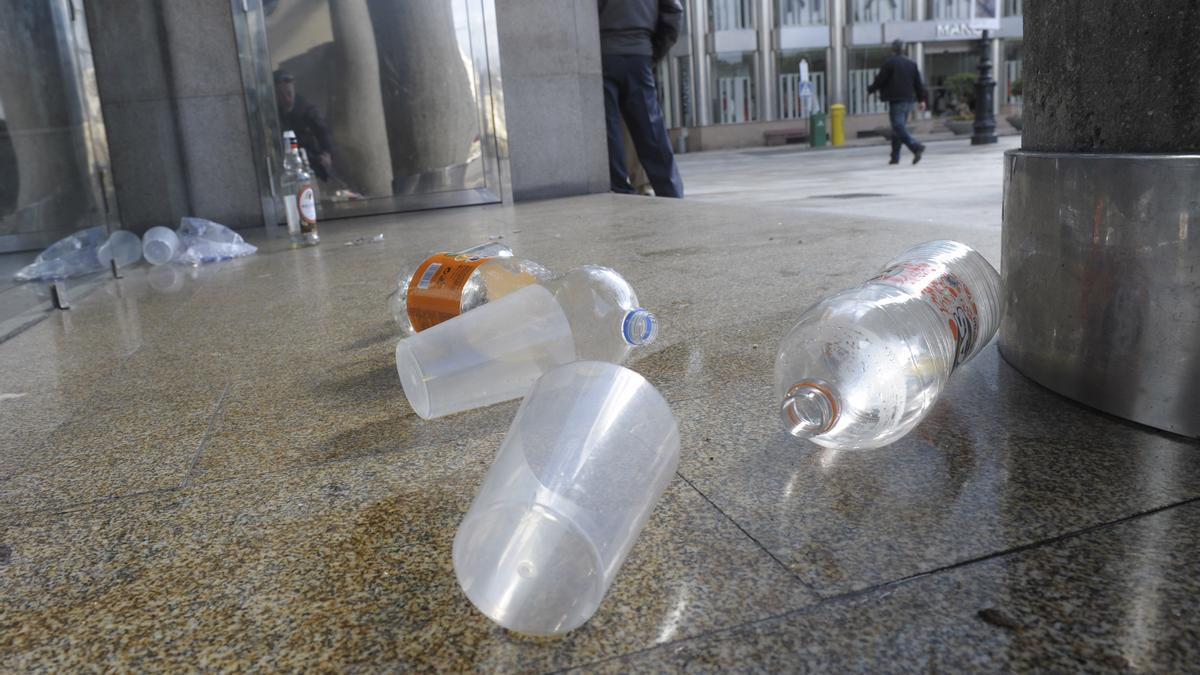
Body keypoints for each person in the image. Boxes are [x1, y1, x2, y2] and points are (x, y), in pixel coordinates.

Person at [598, 0, 684, 198]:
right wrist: (653, 52)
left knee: (610, 128)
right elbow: (673, 11)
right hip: (639, 52)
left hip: (603, 54)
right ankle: (670, 190)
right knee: (651, 127)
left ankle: (619, 190)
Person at [867, 39, 928, 165]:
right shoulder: (912, 64)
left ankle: (915, 146)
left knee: (898, 126)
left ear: (893, 49)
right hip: (908, 100)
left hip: (897, 100)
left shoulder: (890, 63)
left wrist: (870, 90)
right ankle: (895, 157)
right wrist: (921, 100)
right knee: (898, 129)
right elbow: (918, 84)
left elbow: (880, 80)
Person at [274, 69, 335, 181]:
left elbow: (323, 132)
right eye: (281, 95)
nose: (287, 98)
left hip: (313, 161)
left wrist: (327, 153)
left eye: (289, 93)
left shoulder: (306, 109)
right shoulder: (274, 115)